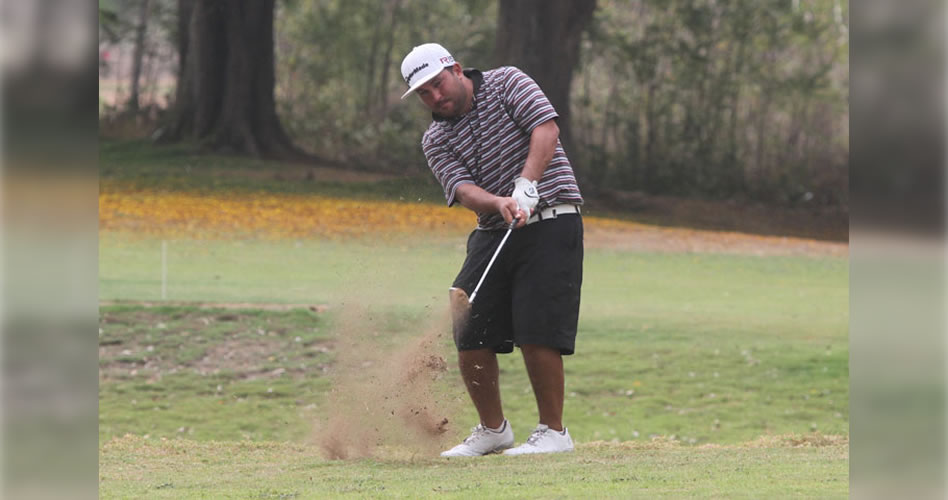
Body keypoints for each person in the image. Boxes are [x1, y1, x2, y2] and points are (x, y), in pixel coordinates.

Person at [400, 43, 585, 457]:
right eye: (424, 93)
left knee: (536, 326)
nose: (435, 96)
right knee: (467, 321)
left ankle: (554, 432)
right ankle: (493, 429)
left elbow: (546, 130)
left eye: (438, 84)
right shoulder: (435, 139)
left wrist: (526, 184)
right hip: (493, 228)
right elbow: (463, 190)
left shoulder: (507, 82)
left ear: (456, 69)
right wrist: (500, 202)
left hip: (552, 216)